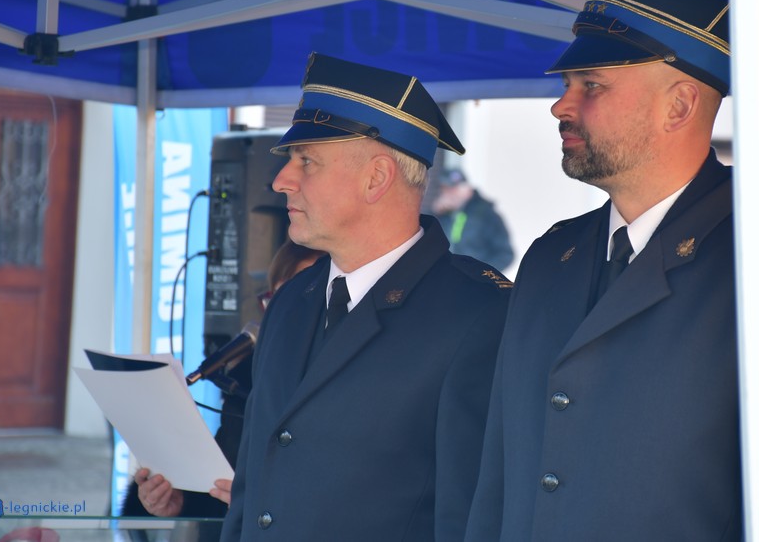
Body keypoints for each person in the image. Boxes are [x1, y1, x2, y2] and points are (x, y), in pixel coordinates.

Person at [463, 0, 759, 541]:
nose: (561, 105)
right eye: (566, 85)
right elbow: (498, 484)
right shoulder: (549, 258)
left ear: (679, 106)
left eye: (591, 85)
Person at [216, 52, 510, 541]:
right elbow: (252, 493)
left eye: (306, 161)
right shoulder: (293, 300)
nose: (281, 180)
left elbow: (472, 517)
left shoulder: (478, 316)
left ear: (376, 178)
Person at [124, 239, 322, 520]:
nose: (284, 316)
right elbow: (224, 482)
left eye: (301, 300)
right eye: (275, 301)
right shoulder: (247, 380)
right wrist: (179, 501)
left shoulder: (351, 380)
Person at [432, 168, 514, 271]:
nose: (449, 194)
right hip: (447, 276)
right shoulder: (443, 215)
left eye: (454, 189)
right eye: (445, 189)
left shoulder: (486, 214)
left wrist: (481, 273)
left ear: (467, 189)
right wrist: (435, 214)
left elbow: (505, 255)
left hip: (472, 278)